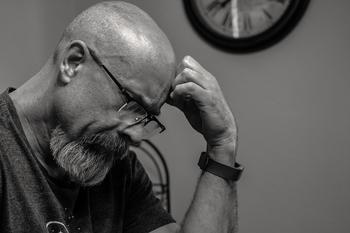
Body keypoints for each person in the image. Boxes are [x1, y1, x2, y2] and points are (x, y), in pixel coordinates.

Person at [0, 1, 243, 233]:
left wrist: (221, 144)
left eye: (146, 116)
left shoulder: (117, 167)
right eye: (132, 104)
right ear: (73, 63)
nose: (137, 136)